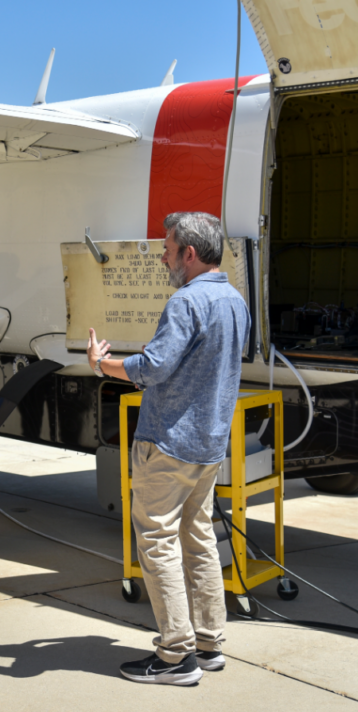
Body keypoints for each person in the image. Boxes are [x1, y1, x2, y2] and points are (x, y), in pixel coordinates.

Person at [87, 212, 250, 686]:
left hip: (171, 442)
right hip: (209, 443)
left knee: (157, 542)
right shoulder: (234, 299)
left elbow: (154, 368)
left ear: (189, 254)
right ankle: (208, 640)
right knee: (198, 538)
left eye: (167, 248)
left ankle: (176, 657)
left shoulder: (185, 301)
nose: (162, 257)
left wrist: (104, 365)